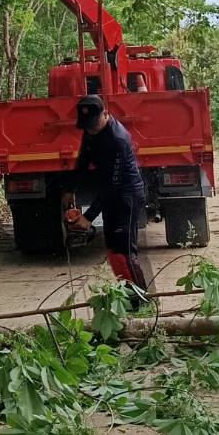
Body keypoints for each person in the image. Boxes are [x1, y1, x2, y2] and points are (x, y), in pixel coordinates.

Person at [61, 94, 151, 303]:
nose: (90, 130)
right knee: (113, 252)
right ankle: (127, 298)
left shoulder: (118, 139)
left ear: (106, 114)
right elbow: (83, 162)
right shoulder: (90, 131)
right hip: (111, 194)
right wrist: (69, 189)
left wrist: (89, 217)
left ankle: (142, 301)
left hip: (127, 196)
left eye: (94, 124)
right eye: (87, 126)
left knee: (124, 252)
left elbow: (114, 185)